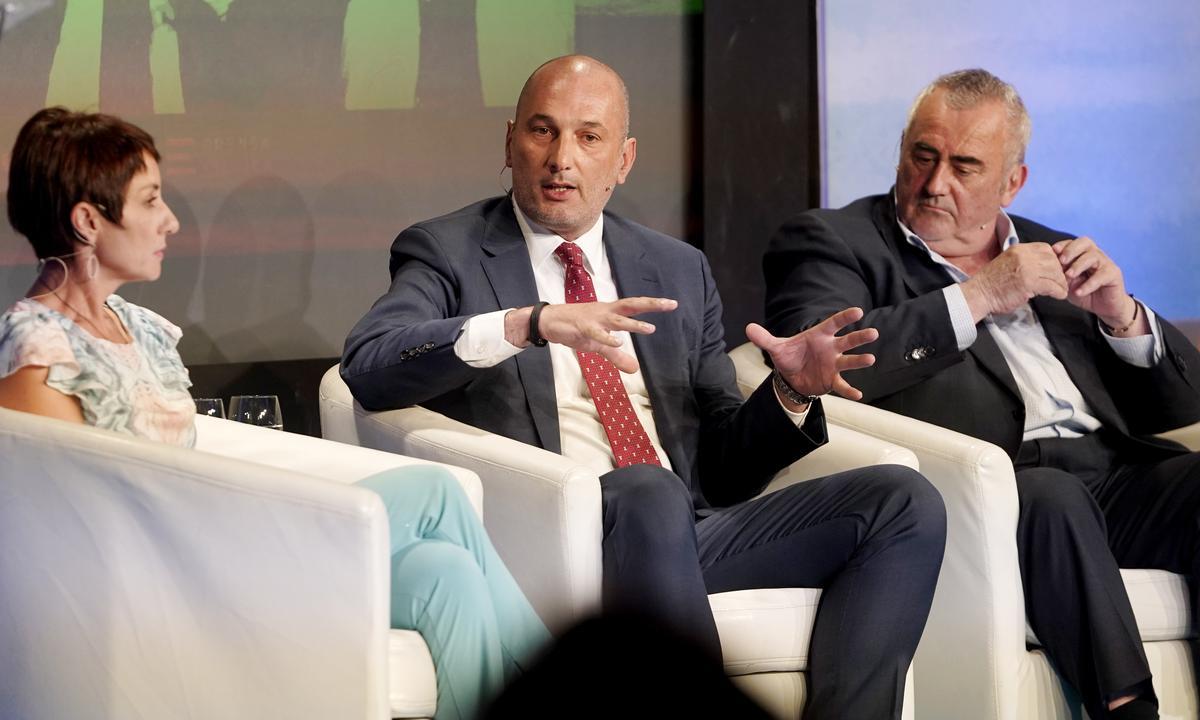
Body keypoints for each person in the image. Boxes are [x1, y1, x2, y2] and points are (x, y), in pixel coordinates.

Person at [342, 54, 946, 719]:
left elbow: (722, 470)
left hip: (684, 529)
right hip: (557, 528)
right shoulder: (448, 250)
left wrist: (790, 391)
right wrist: (528, 323)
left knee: (905, 499)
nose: (561, 158)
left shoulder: (675, 268)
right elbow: (369, 365)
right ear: (510, 142)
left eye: (588, 137)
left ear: (623, 160)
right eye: (542, 132)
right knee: (648, 490)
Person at [0, 107, 549, 720]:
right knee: (435, 493)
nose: (172, 221)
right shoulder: (36, 356)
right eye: (151, 200)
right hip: (187, 570)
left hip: (220, 538)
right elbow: (70, 539)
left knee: (445, 572)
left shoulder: (134, 325)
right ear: (86, 221)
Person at [763, 68, 1200, 720]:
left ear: (1011, 181)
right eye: (923, 156)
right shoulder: (834, 242)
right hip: (990, 487)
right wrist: (979, 296)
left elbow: (1181, 408)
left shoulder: (1053, 248)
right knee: (1053, 499)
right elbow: (823, 362)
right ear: (902, 150)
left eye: (965, 167)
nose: (935, 183)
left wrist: (1123, 318)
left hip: (1112, 475)